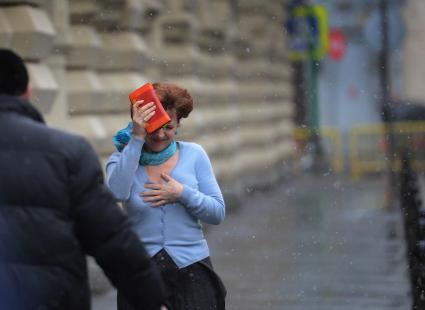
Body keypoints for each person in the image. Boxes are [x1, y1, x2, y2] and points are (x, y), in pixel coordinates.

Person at [0, 48, 166, 310]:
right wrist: (151, 299)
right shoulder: (66, 151)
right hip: (49, 297)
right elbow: (111, 237)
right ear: (28, 93)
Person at [106, 82, 227, 310]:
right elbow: (117, 193)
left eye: (169, 127)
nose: (161, 135)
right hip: (141, 271)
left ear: (179, 124)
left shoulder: (194, 155)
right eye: (154, 127)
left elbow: (217, 213)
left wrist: (182, 193)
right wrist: (136, 139)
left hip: (193, 270)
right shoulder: (122, 159)